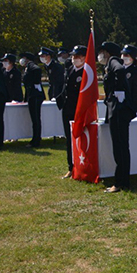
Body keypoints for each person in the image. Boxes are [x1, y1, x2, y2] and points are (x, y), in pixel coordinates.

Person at [101, 42, 137, 193]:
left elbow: (119, 72)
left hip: (119, 110)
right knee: (121, 147)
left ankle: (119, 182)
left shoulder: (113, 61)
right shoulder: (113, 63)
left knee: (120, 147)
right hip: (117, 109)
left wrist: (120, 89)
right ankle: (123, 181)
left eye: (103, 52)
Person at [59, 46, 86, 179]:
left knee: (81, 139)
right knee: (69, 139)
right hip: (68, 109)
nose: (74, 59)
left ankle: (82, 166)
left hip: (79, 110)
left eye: (77, 56)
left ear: (84, 58)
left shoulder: (87, 73)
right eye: (73, 56)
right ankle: (71, 166)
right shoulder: (70, 69)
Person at [20, 53, 46, 148]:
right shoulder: (28, 67)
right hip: (32, 95)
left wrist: (34, 82)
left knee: (36, 119)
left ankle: (36, 140)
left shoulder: (31, 66)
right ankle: (35, 138)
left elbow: (37, 70)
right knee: (34, 119)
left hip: (35, 95)